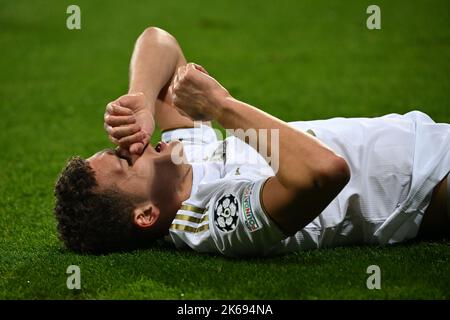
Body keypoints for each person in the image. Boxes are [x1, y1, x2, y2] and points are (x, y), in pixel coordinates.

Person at [54, 27, 450, 256]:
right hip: (421, 186)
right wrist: (220, 106)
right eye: (124, 163)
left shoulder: (180, 159)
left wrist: (141, 100)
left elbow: (160, 41)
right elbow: (325, 171)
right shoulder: (214, 220)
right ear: (145, 215)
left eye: (117, 148)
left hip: (422, 134)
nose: (131, 147)